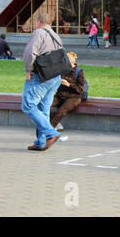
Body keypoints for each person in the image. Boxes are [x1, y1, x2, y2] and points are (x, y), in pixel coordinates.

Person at [22, 13, 63, 151]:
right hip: (54, 77)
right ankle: (41, 142)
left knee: (28, 105)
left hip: (40, 76)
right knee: (43, 109)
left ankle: (51, 133)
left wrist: (28, 69)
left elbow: (30, 52)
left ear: (38, 22)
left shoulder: (38, 32)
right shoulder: (56, 36)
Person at [49, 52, 85, 131]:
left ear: (72, 62)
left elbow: (80, 89)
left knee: (61, 111)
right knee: (46, 105)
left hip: (73, 97)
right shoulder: (62, 70)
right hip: (60, 95)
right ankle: (57, 124)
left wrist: (68, 84)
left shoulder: (79, 72)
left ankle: (49, 130)